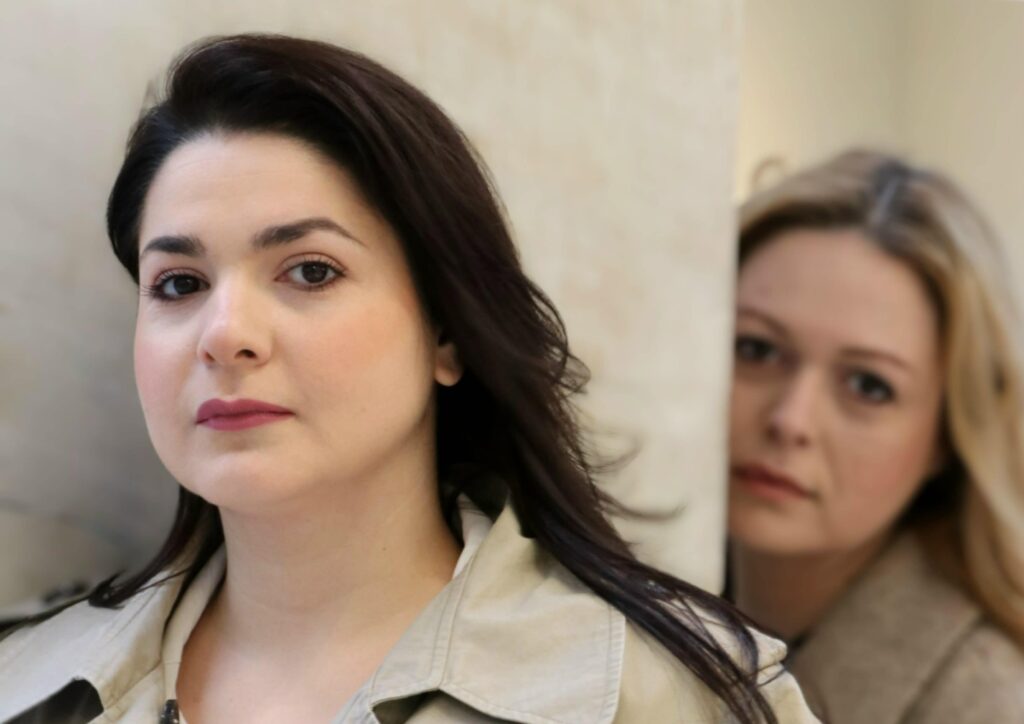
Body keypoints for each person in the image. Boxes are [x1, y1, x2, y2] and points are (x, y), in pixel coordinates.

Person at [0, 34, 815, 723]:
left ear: (447, 332)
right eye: (180, 284)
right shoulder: (27, 689)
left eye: (310, 271)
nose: (226, 334)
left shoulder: (678, 697)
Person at [727, 149, 1024, 723]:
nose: (791, 420)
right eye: (757, 349)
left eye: (869, 385)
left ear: (946, 436)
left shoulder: (985, 701)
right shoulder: (624, 602)